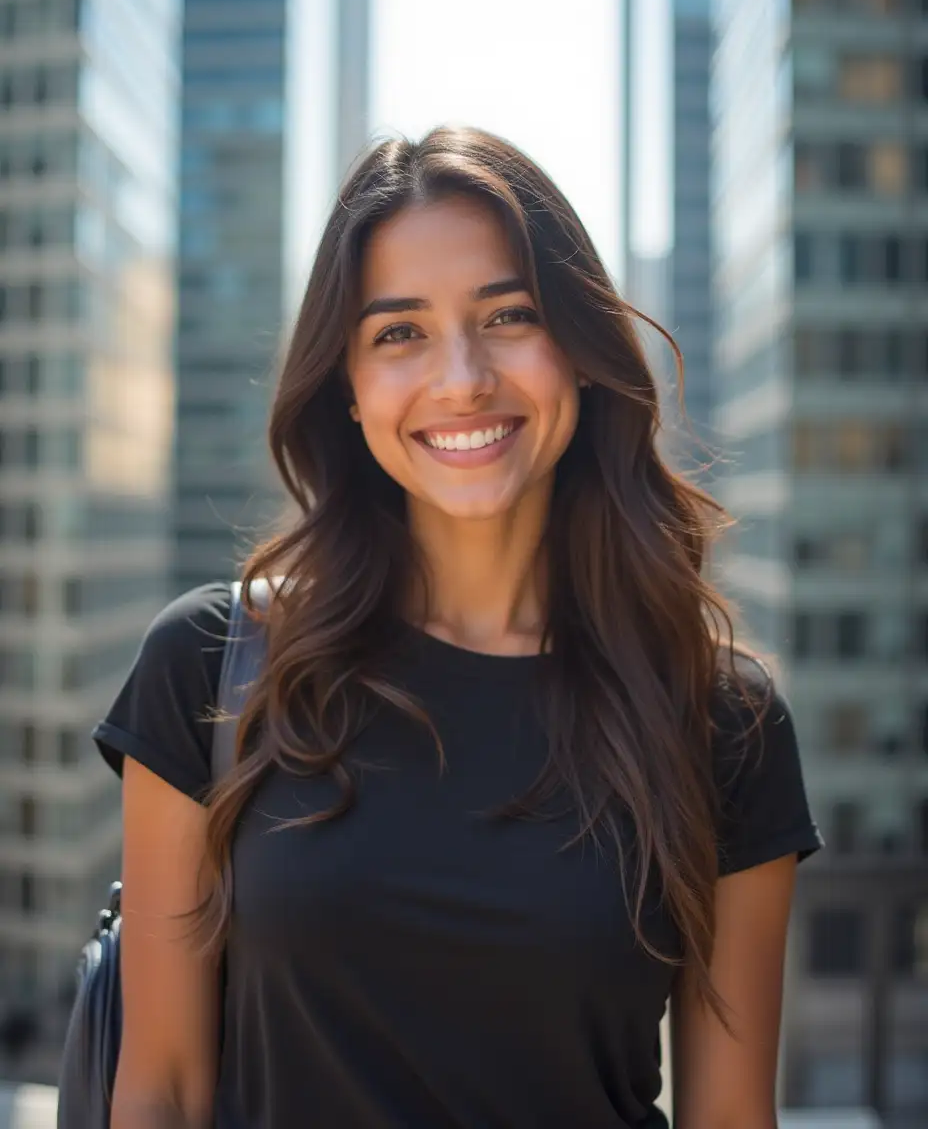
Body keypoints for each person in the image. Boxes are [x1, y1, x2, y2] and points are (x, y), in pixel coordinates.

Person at [94, 126, 822, 1129]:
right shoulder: (214, 665)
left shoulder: (720, 719)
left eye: (508, 315)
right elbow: (161, 1090)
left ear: (577, 348)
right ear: (346, 387)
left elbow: (730, 1118)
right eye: (400, 332)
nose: (464, 377)